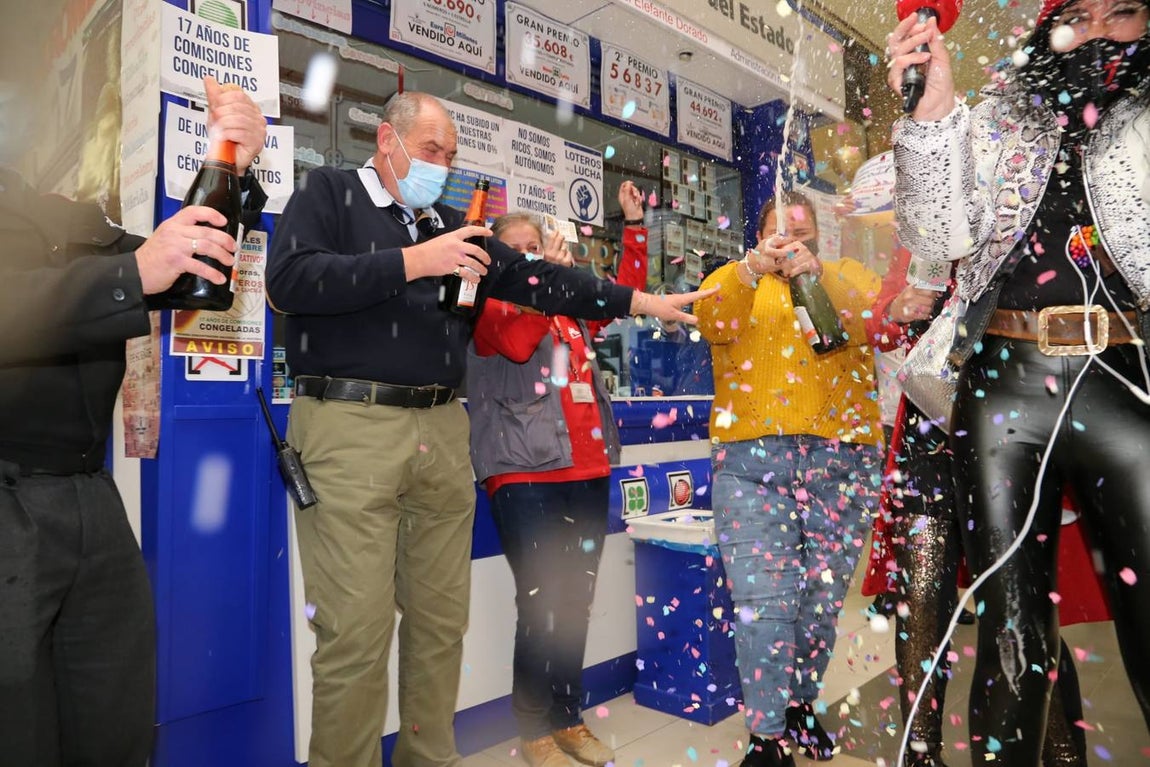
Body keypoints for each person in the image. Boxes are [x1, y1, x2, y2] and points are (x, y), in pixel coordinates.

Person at [265, 91, 710, 767]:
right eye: (432, 150)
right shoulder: (329, 193)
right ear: (387, 139)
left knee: (442, 625)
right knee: (354, 633)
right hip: (350, 425)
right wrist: (419, 260)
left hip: (443, 429)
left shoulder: (452, 224)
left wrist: (643, 301)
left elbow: (541, 282)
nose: (442, 166)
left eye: (451, 154)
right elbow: (290, 280)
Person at [888, 0, 1150, 763]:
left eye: (1123, 11)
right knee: (1011, 628)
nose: (1098, 28)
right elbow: (936, 244)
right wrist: (934, 114)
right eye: (1077, 12)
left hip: (1124, 377)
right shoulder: (1002, 113)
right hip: (1002, 379)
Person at [0, 77, 267, 767]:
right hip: (9, 496)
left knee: (114, 712)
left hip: (91, 494)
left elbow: (185, 273)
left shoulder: (66, 215)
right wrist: (131, 274)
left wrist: (229, 162)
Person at [863, 246, 1091, 767]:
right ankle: (920, 755)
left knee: (1021, 605)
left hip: (1010, 446)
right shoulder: (923, 241)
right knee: (919, 602)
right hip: (929, 439)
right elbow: (879, 328)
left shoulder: (1025, 225)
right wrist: (897, 310)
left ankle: (1060, 754)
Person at [465, 181, 648, 767]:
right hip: (524, 475)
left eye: (535, 247)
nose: (527, 258)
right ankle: (532, 728)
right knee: (541, 604)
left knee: (575, 602)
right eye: (515, 251)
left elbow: (625, 296)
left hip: (587, 469)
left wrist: (635, 230)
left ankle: (568, 716)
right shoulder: (488, 306)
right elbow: (518, 346)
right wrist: (543, 288)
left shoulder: (567, 307)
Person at [696, 192, 883, 767]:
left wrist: (817, 272)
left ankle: (801, 704)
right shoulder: (735, 279)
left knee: (821, 604)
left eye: (803, 230)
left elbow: (873, 321)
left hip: (843, 462)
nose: (793, 239)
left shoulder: (847, 275)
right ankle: (766, 735)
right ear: (761, 235)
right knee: (764, 601)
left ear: (819, 235)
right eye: (781, 230)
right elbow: (711, 318)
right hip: (751, 466)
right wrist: (752, 269)